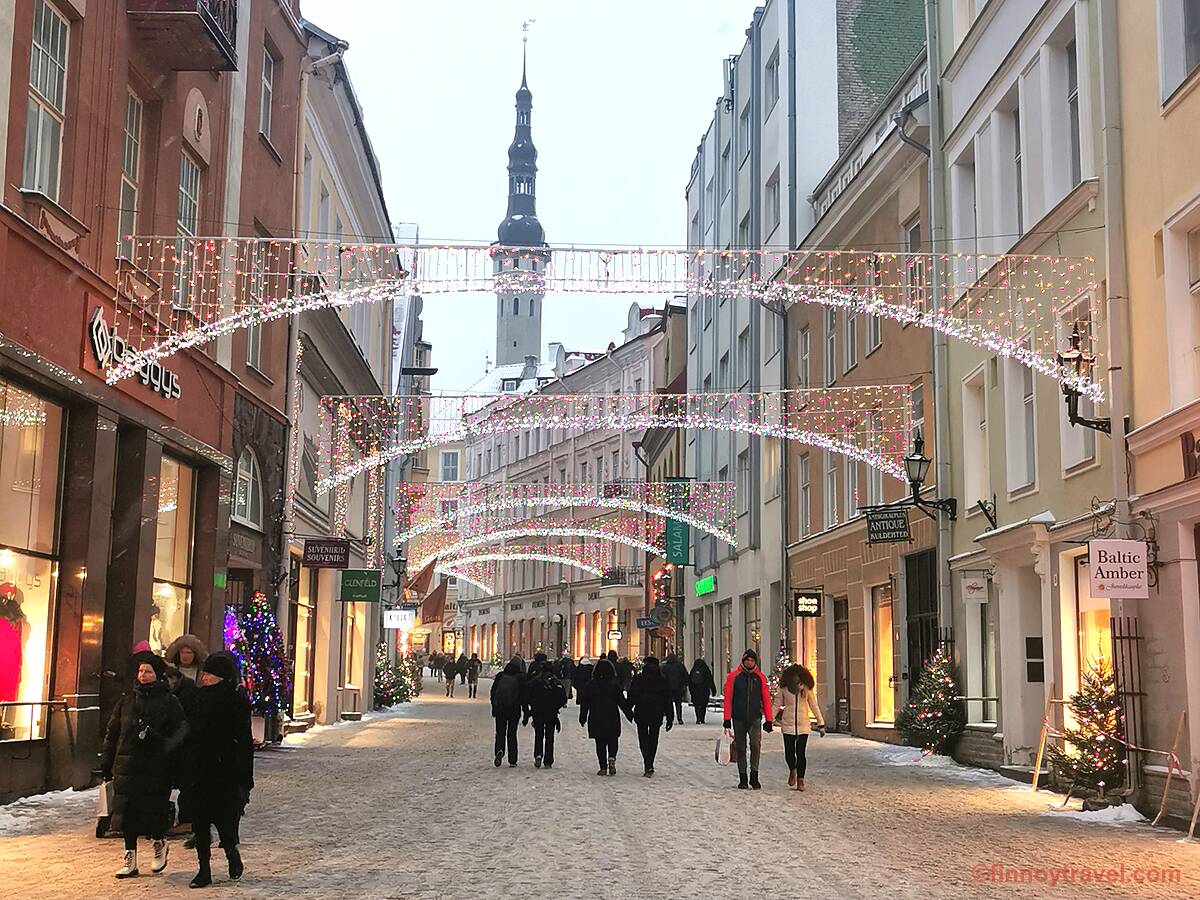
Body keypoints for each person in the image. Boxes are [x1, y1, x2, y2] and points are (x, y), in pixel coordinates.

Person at [100, 650, 188, 878]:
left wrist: (161, 744)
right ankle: (130, 858)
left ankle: (159, 843)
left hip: (156, 766)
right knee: (127, 812)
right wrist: (107, 762)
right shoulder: (127, 700)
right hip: (127, 764)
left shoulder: (170, 701)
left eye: (148, 671)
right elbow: (113, 732)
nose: (143, 675)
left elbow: (180, 733)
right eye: (140, 671)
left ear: (157, 675)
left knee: (153, 809)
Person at [184, 652, 253, 888]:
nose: (204, 677)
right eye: (204, 673)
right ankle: (204, 869)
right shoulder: (195, 698)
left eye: (210, 674)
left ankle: (231, 853)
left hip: (225, 770)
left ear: (222, 677)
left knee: (225, 820)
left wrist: (245, 776)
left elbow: (244, 740)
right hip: (198, 769)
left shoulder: (236, 701)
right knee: (200, 822)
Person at [722, 649, 774, 790]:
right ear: (743, 661)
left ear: (755, 662)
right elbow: (728, 698)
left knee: (756, 746)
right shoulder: (734, 677)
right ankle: (743, 777)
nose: (749, 662)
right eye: (747, 660)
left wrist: (769, 719)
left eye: (752, 660)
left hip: (755, 717)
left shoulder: (760, 678)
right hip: (738, 717)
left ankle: (754, 776)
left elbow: (766, 699)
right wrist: (727, 718)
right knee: (741, 748)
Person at [773, 664, 825, 791]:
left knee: (800, 753)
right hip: (788, 725)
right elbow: (776, 705)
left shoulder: (806, 689)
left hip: (803, 725)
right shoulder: (784, 689)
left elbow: (814, 706)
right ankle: (792, 769)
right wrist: (770, 719)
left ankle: (801, 780)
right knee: (789, 753)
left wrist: (821, 723)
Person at [578, 658, 628, 776]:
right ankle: (612, 757)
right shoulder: (614, 685)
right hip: (612, 716)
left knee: (600, 742)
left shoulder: (591, 685)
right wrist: (629, 713)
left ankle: (603, 767)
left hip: (596, 716)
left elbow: (585, 702)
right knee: (613, 739)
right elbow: (621, 701)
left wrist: (583, 716)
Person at [625, 656, 673, 776]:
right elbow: (667, 700)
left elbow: (632, 697)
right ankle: (650, 762)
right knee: (653, 739)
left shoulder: (638, 679)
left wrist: (628, 711)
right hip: (656, 713)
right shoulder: (662, 681)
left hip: (641, 713)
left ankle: (647, 761)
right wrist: (670, 717)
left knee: (643, 739)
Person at [523, 661, 568, 769]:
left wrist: (532, 708)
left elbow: (528, 695)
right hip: (551, 713)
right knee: (550, 736)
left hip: (538, 712)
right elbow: (563, 698)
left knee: (539, 734)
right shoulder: (555, 682)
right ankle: (548, 760)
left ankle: (538, 754)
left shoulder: (536, 682)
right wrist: (555, 706)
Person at [491, 661, 523, 767]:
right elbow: (522, 696)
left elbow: (493, 692)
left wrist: (494, 707)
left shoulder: (500, 677)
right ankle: (512, 759)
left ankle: (499, 750)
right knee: (512, 734)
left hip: (500, 709)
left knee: (500, 732)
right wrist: (526, 712)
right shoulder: (518, 679)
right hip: (514, 709)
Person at [688, 657, 718, 724]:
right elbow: (710, 680)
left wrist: (691, 691)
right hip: (704, 691)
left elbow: (690, 682)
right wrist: (713, 690)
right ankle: (702, 718)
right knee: (703, 705)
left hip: (695, 691)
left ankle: (698, 717)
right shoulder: (706, 670)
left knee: (696, 705)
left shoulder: (693, 670)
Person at [661, 653, 689, 724]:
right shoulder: (680, 666)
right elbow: (685, 675)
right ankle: (679, 718)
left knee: (668, 703)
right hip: (678, 687)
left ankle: (670, 717)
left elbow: (662, 677)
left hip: (668, 688)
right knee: (678, 703)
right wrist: (685, 684)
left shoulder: (665, 667)